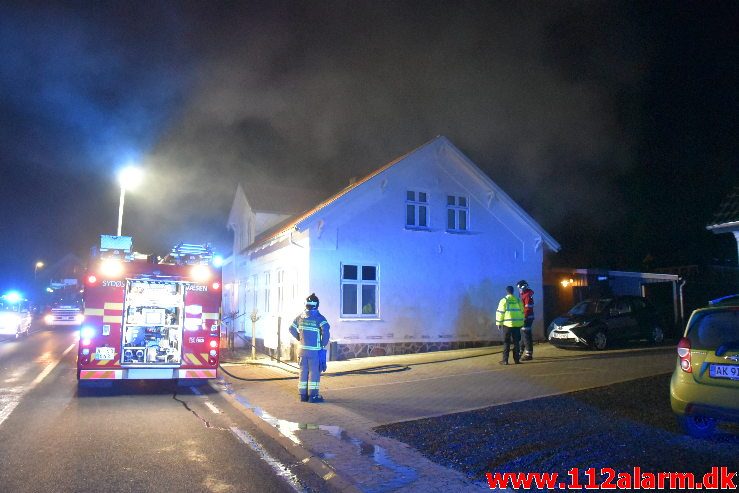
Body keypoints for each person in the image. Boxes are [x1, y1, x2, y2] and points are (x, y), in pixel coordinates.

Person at [289, 293, 331, 403]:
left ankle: (303, 395)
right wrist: (322, 343)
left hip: (302, 351)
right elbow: (326, 331)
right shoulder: (320, 318)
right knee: (314, 373)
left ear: (306, 305)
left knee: (303, 372)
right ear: (317, 305)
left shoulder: (300, 317)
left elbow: (291, 329)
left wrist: (299, 337)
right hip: (314, 352)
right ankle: (313, 396)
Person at [496, 285, 524, 365]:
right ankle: (517, 360)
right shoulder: (518, 300)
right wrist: (521, 323)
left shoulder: (504, 300)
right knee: (516, 342)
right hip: (517, 325)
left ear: (507, 291)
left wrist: (499, 323)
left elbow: (500, 313)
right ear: (513, 291)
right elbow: (522, 312)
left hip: (507, 325)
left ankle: (505, 360)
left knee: (506, 342)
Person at [517, 280, 535, 361]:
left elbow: (527, 307)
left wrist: (524, 317)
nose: (519, 290)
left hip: (527, 318)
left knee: (526, 335)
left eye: (519, 288)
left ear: (523, 287)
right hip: (526, 317)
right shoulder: (524, 295)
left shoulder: (527, 295)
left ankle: (528, 354)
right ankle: (521, 352)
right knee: (523, 335)